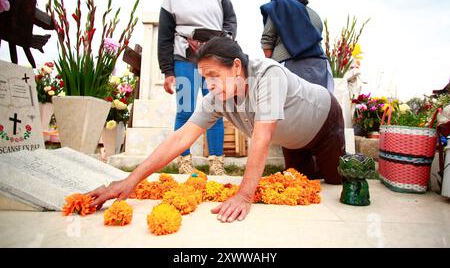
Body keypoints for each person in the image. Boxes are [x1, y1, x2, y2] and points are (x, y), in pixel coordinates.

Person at [89, 37, 345, 223]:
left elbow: (262, 137)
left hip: (324, 122)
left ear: (236, 66)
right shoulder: (217, 97)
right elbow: (181, 138)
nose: (209, 85)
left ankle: (338, 161)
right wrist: (130, 180)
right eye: (205, 79)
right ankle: (314, 163)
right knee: (305, 185)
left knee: (336, 182)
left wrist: (244, 196)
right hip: (293, 140)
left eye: (214, 76)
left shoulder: (269, 75)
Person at [158, 0, 238, 175]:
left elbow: (230, 19)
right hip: (184, 58)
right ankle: (183, 162)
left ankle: (216, 163)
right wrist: (168, 71)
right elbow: (164, 38)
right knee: (185, 109)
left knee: (215, 107)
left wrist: (223, 43)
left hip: (214, 58)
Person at [260, 0, 334, 92]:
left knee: (287, 105)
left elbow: (267, 41)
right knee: (317, 105)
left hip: (288, 64)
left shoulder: (279, 8)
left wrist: (271, 65)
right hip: (320, 65)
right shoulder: (315, 15)